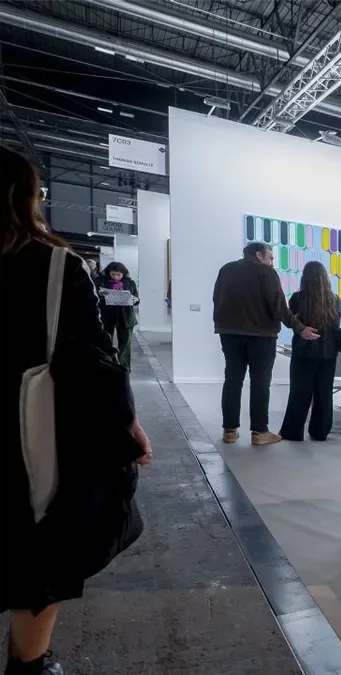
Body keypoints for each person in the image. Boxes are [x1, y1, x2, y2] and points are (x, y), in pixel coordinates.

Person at [2, 146, 151, 675]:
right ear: (25, 199)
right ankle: (28, 664)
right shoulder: (52, 265)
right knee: (36, 551)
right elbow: (95, 362)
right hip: (28, 433)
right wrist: (127, 428)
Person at [213, 242, 319, 445]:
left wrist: (221, 324)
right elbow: (279, 306)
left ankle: (229, 430)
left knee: (232, 380)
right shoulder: (266, 273)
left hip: (229, 334)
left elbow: (216, 298)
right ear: (259, 255)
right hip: (261, 336)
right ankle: (260, 432)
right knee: (260, 383)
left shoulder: (225, 270)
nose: (271, 262)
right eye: (270, 257)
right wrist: (299, 328)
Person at [278, 262, 341, 442]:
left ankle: (293, 432)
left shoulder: (297, 298)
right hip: (328, 353)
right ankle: (320, 432)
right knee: (324, 393)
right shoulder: (334, 299)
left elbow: (292, 323)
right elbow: (334, 326)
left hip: (303, 351)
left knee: (299, 392)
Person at [95, 262, 139, 370]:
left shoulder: (130, 283)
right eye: (113, 274)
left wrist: (136, 300)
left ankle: (125, 367)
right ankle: (106, 364)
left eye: (118, 275)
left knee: (125, 344)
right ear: (108, 272)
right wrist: (101, 296)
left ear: (123, 274)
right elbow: (94, 296)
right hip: (107, 315)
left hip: (126, 316)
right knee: (105, 340)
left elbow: (136, 298)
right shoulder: (100, 281)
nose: (115, 277)